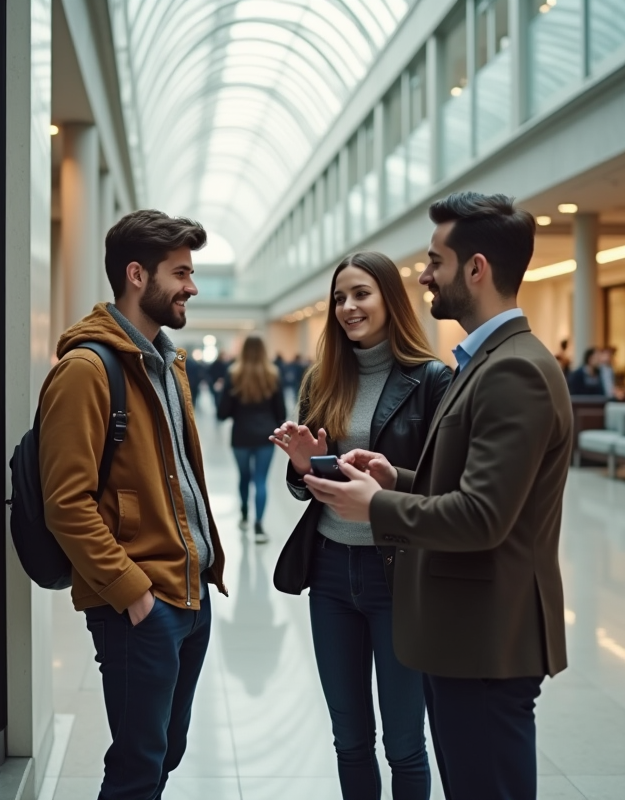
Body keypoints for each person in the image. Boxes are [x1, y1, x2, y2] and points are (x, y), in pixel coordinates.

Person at [303, 193, 572, 800]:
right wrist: (394, 478)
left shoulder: (513, 370)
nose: (423, 275)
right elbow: (465, 483)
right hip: (462, 635)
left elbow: (482, 516)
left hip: (486, 639)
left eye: (435, 261)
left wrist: (373, 505)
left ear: (475, 268)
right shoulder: (485, 362)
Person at [37, 209, 228, 800]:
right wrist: (131, 591)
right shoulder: (86, 370)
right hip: (140, 603)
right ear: (137, 275)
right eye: (181, 272)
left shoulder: (167, 362)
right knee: (138, 768)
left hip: (189, 591)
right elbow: (65, 502)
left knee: (166, 751)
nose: (192, 286)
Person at [270, 251, 452, 800]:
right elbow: (302, 488)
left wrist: (386, 483)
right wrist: (303, 465)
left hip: (397, 572)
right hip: (328, 572)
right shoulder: (321, 379)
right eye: (340, 297)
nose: (348, 307)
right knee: (349, 738)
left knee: (404, 743)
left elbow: (444, 486)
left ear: (390, 300)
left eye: (362, 294)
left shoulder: (432, 380)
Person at [218, 335, 287, 543]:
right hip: (267, 435)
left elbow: (222, 413)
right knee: (261, 480)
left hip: (241, 435)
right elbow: (281, 411)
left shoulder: (233, 374)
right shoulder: (273, 374)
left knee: (244, 477)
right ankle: (259, 527)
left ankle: (244, 514)